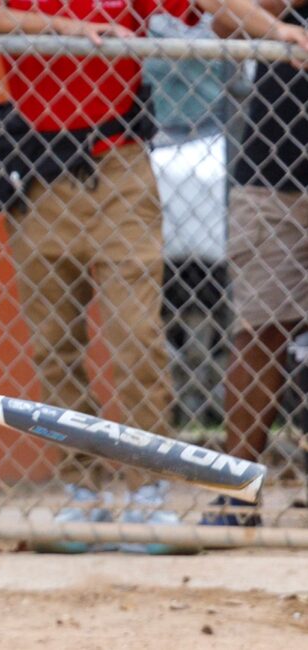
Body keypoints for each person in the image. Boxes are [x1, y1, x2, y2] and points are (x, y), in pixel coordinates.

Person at [0, 0, 308, 553]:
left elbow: (217, 7)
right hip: (38, 161)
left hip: (120, 160)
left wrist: (280, 30)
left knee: (137, 335)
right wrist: (73, 30)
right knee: (55, 343)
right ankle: (81, 488)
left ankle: (148, 490)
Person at [202, 0, 308, 527]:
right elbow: (224, 14)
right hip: (276, 172)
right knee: (261, 332)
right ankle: (236, 494)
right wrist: (280, 23)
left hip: (275, 170)